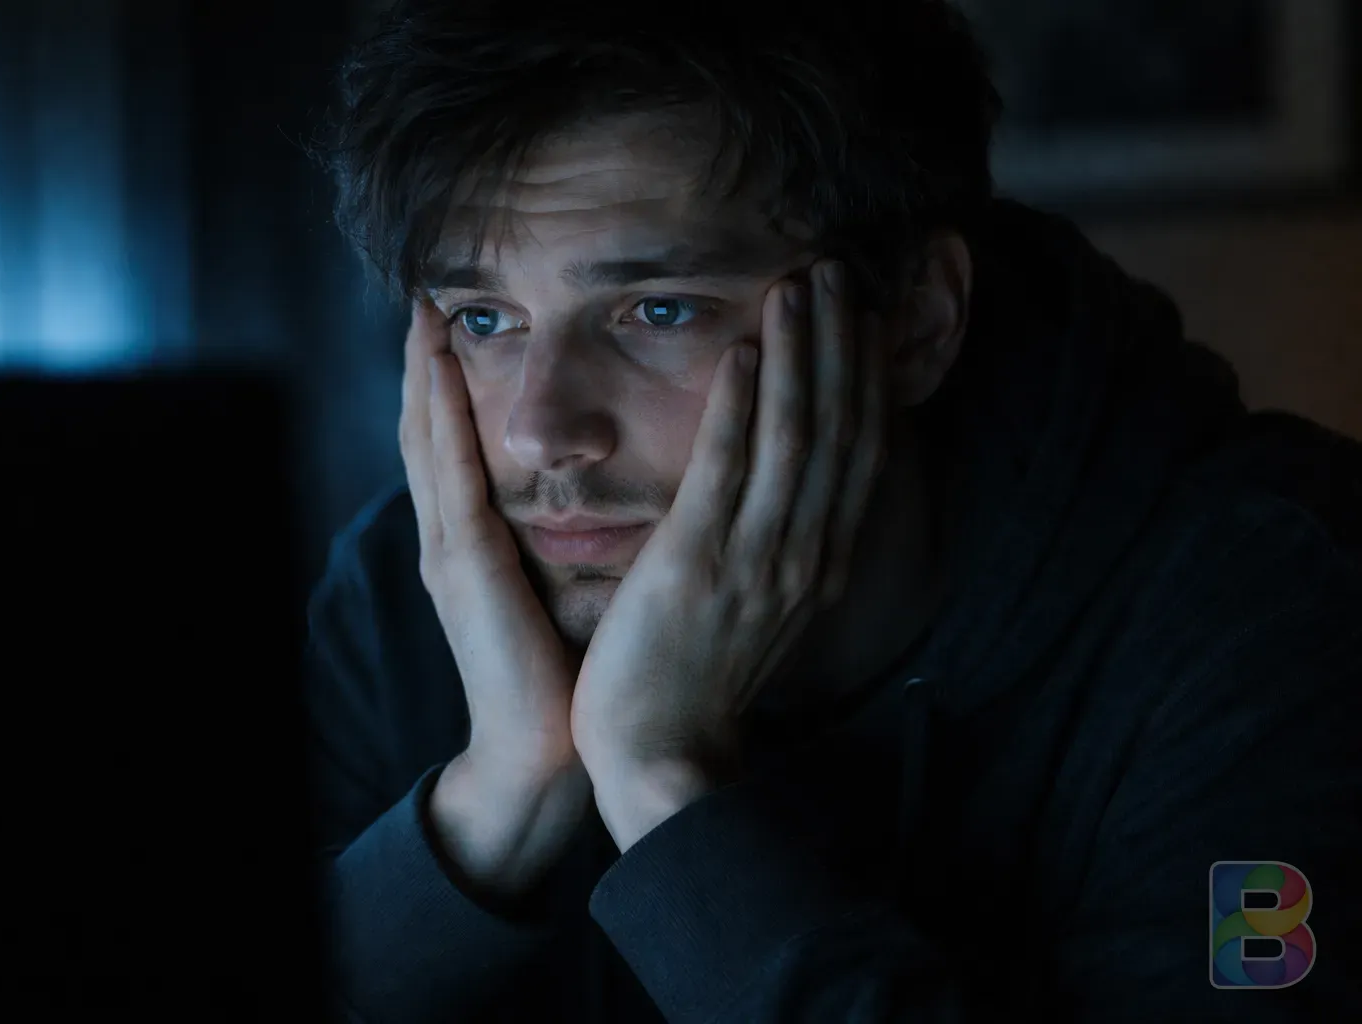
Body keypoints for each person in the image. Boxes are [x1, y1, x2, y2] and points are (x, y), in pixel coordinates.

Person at [305, 1, 1362, 1020]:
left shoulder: (1273, 610)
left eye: (658, 310)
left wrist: (660, 781)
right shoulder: (406, 598)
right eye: (485, 319)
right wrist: (494, 803)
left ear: (916, 322)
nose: (541, 433)